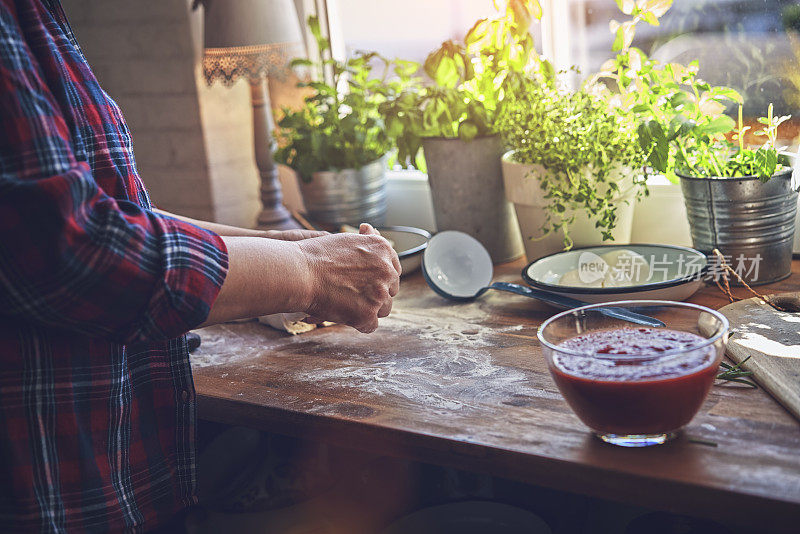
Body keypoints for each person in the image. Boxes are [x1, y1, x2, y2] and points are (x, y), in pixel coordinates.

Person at [0, 0, 400, 531]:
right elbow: (76, 250)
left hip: (103, 463)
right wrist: (310, 270)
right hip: (46, 484)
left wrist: (281, 244)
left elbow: (113, 210)